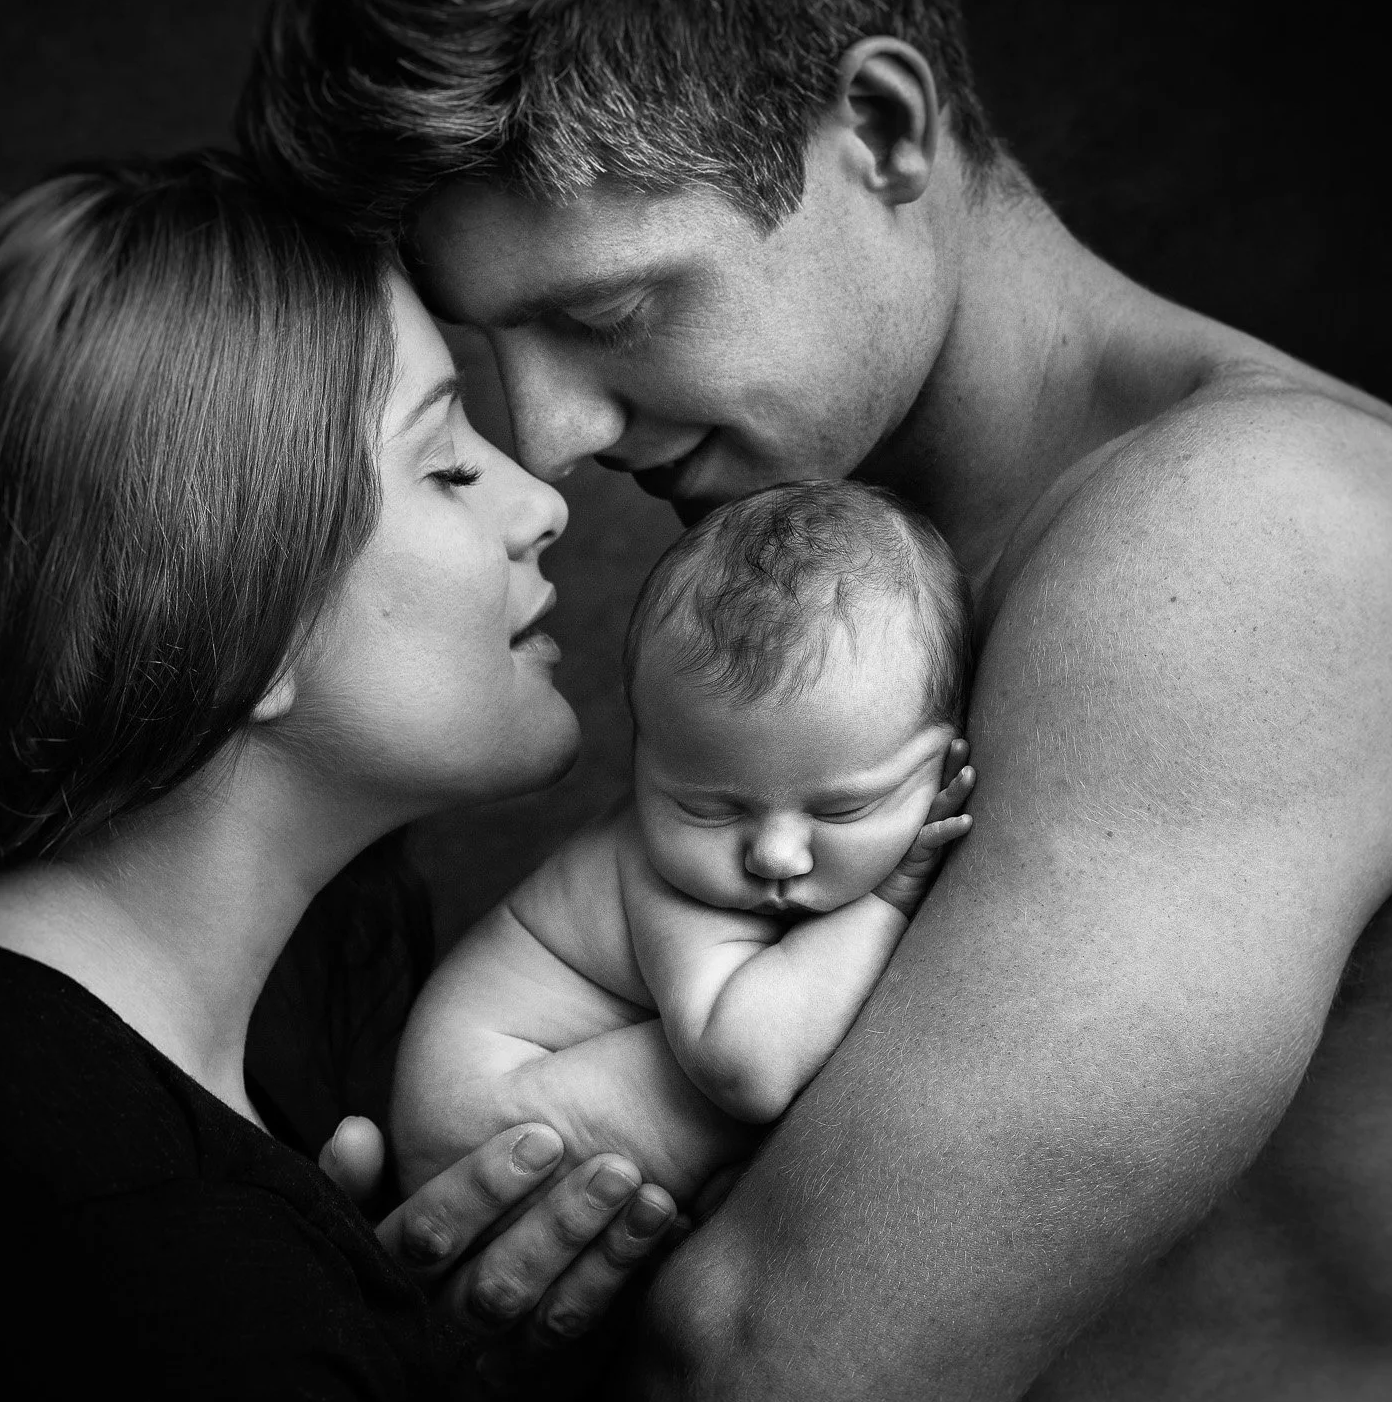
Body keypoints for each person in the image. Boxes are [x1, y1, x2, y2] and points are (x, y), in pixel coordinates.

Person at [238, 0, 1392, 1402]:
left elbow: (768, 1385)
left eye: (613, 314)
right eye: (496, 347)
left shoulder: (1258, 544)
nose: (549, 440)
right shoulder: (812, 586)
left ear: (881, 130)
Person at [0, 152, 683, 1402]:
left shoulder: (315, 977)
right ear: (233, 618)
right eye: (446, 466)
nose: (541, 501)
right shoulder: (144, 1274)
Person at [391, 482, 975, 1202]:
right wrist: (885, 900)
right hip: (488, 1116)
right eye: (710, 809)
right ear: (643, 761)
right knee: (783, 1079)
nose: (775, 857)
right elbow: (749, 1067)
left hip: (523, 1098)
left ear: (946, 759)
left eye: (845, 808)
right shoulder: (660, 881)